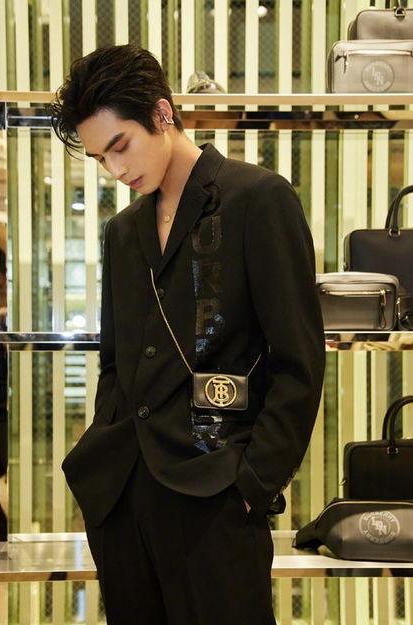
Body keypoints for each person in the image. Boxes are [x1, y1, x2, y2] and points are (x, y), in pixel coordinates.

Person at [49, 43, 325, 625]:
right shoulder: (123, 232)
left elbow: (298, 361)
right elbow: (115, 363)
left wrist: (252, 484)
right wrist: (106, 465)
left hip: (216, 492)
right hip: (124, 498)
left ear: (162, 113)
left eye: (120, 146)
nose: (115, 171)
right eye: (100, 158)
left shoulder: (257, 199)